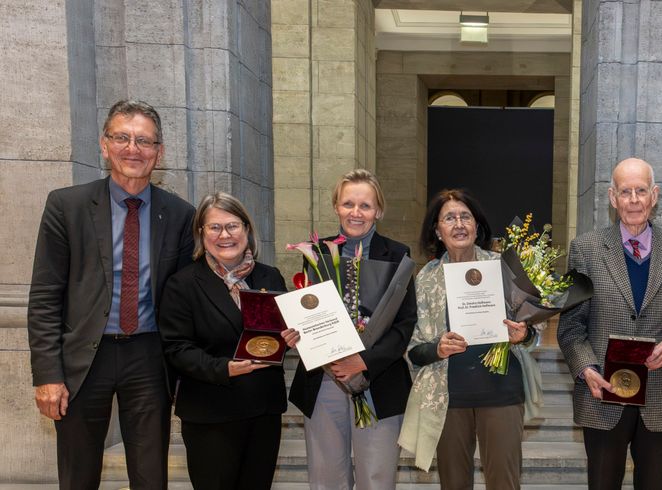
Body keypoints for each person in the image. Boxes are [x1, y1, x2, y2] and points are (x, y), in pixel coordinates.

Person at [27, 99, 195, 489]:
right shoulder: (65, 206)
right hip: (84, 358)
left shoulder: (181, 214)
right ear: (104, 145)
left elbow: (185, 298)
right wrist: (47, 375)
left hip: (150, 358)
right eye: (122, 137)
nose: (133, 149)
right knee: (78, 474)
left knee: (151, 474)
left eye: (144, 141)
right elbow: (45, 296)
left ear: (159, 152)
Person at [557, 157, 662, 490]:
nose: (634, 200)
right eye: (625, 192)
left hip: (659, 394)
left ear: (654, 195)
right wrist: (587, 369)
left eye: (641, 191)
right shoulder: (585, 249)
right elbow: (572, 326)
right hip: (602, 394)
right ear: (612, 197)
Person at [283, 169, 417, 490]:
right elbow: (310, 312)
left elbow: (404, 324)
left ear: (378, 211)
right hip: (324, 380)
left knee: (376, 479)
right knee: (327, 478)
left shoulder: (398, 254)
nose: (356, 213)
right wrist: (300, 335)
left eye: (365, 206)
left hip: (378, 380)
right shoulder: (315, 253)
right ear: (336, 207)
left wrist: (363, 361)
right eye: (348, 204)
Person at [398, 189, 540, 489]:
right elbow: (412, 351)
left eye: (466, 216)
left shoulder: (505, 267)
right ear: (437, 230)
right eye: (449, 218)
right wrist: (437, 348)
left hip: (501, 393)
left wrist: (522, 335)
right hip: (448, 399)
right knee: (453, 484)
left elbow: (532, 331)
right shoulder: (425, 279)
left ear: (477, 226)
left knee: (504, 482)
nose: (459, 224)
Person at [157, 192, 287, 489]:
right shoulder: (183, 284)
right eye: (214, 227)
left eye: (233, 226)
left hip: (263, 411)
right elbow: (176, 348)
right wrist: (223, 368)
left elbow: (276, 337)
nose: (225, 235)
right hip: (210, 413)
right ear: (201, 234)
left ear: (247, 229)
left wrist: (291, 337)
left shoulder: (270, 277)